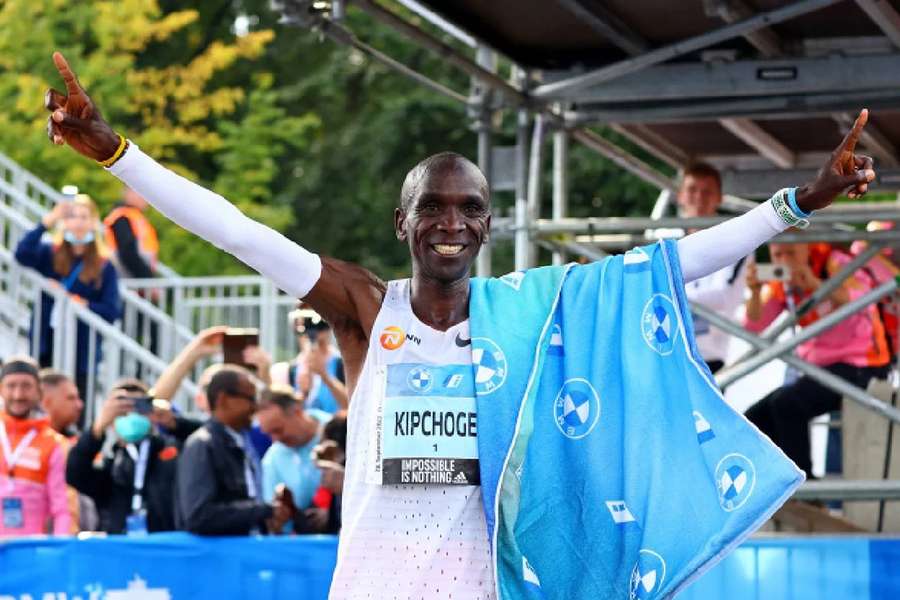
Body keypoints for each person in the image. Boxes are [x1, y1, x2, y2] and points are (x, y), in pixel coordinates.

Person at [45, 52, 876, 597]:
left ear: (485, 227)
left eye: (469, 208)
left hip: (493, 585)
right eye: (432, 207)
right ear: (402, 223)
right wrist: (118, 152)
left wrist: (797, 202)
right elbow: (236, 230)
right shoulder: (366, 309)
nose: (451, 220)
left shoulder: (532, 310)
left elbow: (669, 266)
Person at [743, 241, 890, 477]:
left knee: (786, 404)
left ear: (808, 247)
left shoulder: (836, 262)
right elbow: (753, 326)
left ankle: (805, 490)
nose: (784, 260)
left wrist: (815, 285)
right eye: (777, 254)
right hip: (820, 369)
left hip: (863, 365)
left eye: (791, 251)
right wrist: (755, 292)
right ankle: (777, 488)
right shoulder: (782, 281)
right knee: (754, 419)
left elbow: (861, 297)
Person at [13, 192, 121, 405]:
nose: (78, 222)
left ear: (93, 222)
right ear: (64, 222)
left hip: (82, 350)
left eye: (84, 217)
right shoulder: (50, 253)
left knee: (76, 403)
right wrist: (48, 221)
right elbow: (22, 254)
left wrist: (82, 304)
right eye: (72, 216)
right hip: (46, 342)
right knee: (43, 401)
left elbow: (112, 310)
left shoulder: (104, 264)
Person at [174, 366, 292, 535]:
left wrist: (267, 517)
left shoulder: (241, 442)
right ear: (223, 399)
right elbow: (199, 516)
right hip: (218, 559)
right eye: (250, 399)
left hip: (241, 554)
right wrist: (261, 511)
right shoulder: (202, 445)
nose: (255, 407)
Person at [65, 378, 179, 534]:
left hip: (162, 548)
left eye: (139, 409)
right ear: (112, 421)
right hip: (120, 550)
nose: (131, 416)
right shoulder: (111, 468)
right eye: (122, 411)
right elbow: (74, 473)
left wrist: (174, 423)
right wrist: (96, 430)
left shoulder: (170, 454)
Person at [677, 162, 750, 373]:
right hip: (665, 355)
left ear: (719, 198)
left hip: (708, 360)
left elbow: (724, 298)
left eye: (707, 192)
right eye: (692, 190)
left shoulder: (734, 241)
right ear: (680, 195)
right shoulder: (660, 237)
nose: (699, 197)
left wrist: (670, 293)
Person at [0, 357, 70, 536]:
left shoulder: (54, 443)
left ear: (39, 392)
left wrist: (59, 552)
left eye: (26, 386)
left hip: (30, 551)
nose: (18, 394)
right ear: (1, 389)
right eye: (11, 386)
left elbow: (62, 509)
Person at [257, 385, 331, 530]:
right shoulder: (272, 459)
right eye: (269, 433)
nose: (275, 439)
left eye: (278, 430)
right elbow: (276, 523)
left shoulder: (341, 429)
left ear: (297, 412)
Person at [271, 306, 348, 413]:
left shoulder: (344, 365)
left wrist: (325, 377)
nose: (312, 325)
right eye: (306, 320)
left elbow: (353, 406)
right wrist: (303, 393)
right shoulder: (288, 371)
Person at [103, 186, 159, 280]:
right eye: (141, 192)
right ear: (128, 193)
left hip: (132, 281)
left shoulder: (133, 216)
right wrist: (147, 278)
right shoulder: (122, 218)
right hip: (125, 281)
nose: (146, 198)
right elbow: (128, 252)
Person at [39, 369, 84, 438]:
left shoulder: (74, 440)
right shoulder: (26, 443)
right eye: (71, 398)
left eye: (78, 398)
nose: (80, 405)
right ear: (46, 402)